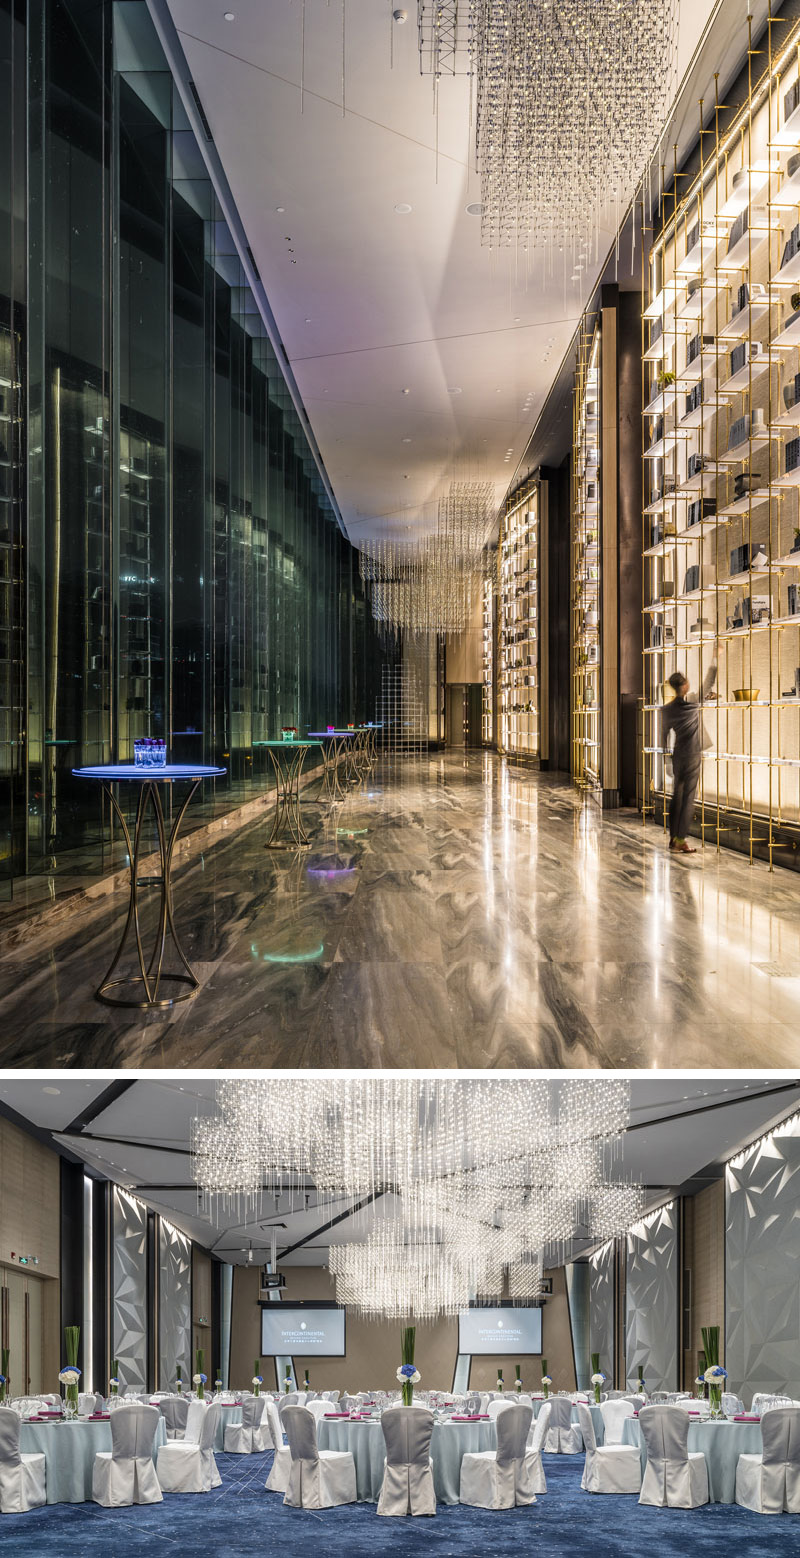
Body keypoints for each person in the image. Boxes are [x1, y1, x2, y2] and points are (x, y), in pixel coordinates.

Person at [661, 649, 717, 854]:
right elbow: (709, 682)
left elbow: (663, 736)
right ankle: (680, 840)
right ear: (685, 685)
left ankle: (673, 838)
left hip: (677, 757)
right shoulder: (693, 702)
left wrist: (666, 761)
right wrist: (715, 655)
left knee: (677, 797)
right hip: (692, 756)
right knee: (688, 799)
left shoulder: (666, 710)